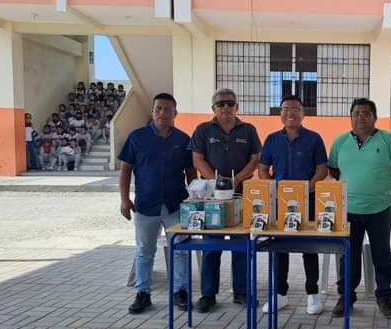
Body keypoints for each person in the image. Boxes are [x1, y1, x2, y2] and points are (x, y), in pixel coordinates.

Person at [328, 98, 391, 319]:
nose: (361, 117)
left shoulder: (389, 140)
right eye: (356, 113)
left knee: (382, 254)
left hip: (379, 209)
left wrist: (382, 185)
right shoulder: (340, 142)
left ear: (375, 117)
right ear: (350, 117)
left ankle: (384, 297)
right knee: (348, 255)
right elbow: (334, 171)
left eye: (366, 113)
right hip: (349, 210)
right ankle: (346, 296)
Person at [118, 93, 197, 314]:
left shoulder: (183, 140)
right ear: (152, 112)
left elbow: (191, 173)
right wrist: (124, 199)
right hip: (146, 205)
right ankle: (143, 293)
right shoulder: (137, 137)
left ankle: (180, 291)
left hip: (176, 205)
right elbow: (125, 170)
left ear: (175, 113)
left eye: (167, 109)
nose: (162, 113)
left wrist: (194, 201)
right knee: (145, 251)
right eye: (158, 109)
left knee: (180, 250)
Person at [188, 88, 262, 312]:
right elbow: (197, 159)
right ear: (213, 108)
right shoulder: (203, 130)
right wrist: (218, 181)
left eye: (230, 103)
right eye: (221, 104)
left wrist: (236, 180)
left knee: (242, 244)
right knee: (211, 245)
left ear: (237, 107)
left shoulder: (248, 130)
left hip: (242, 194)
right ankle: (208, 294)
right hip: (212, 197)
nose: (226, 107)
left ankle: (241, 292)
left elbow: (255, 158)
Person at [259, 95, 328, 315]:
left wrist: (304, 191)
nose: (290, 113)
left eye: (296, 109)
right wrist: (274, 189)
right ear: (280, 113)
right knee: (280, 248)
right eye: (286, 109)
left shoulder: (314, 139)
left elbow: (322, 170)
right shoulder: (271, 140)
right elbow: (263, 169)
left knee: (309, 247)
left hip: (308, 201)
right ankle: (280, 294)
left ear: (303, 113)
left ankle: (312, 294)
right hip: (280, 202)